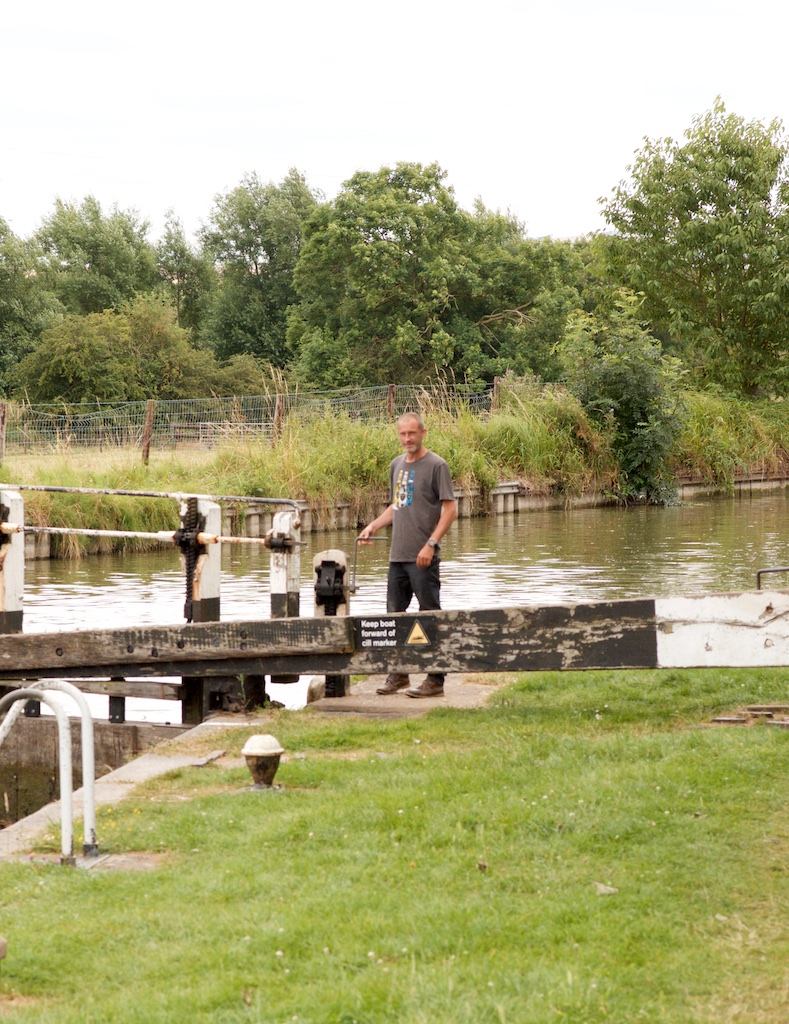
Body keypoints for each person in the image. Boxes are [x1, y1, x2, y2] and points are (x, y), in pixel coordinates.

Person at [358, 412, 458, 697]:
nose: (407, 439)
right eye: (403, 434)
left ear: (423, 433)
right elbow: (397, 506)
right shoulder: (396, 465)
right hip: (397, 556)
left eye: (412, 433)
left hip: (423, 557)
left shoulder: (437, 465)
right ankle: (399, 674)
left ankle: (435, 680)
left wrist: (431, 544)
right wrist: (373, 526)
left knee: (429, 615)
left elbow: (450, 510)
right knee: (393, 617)